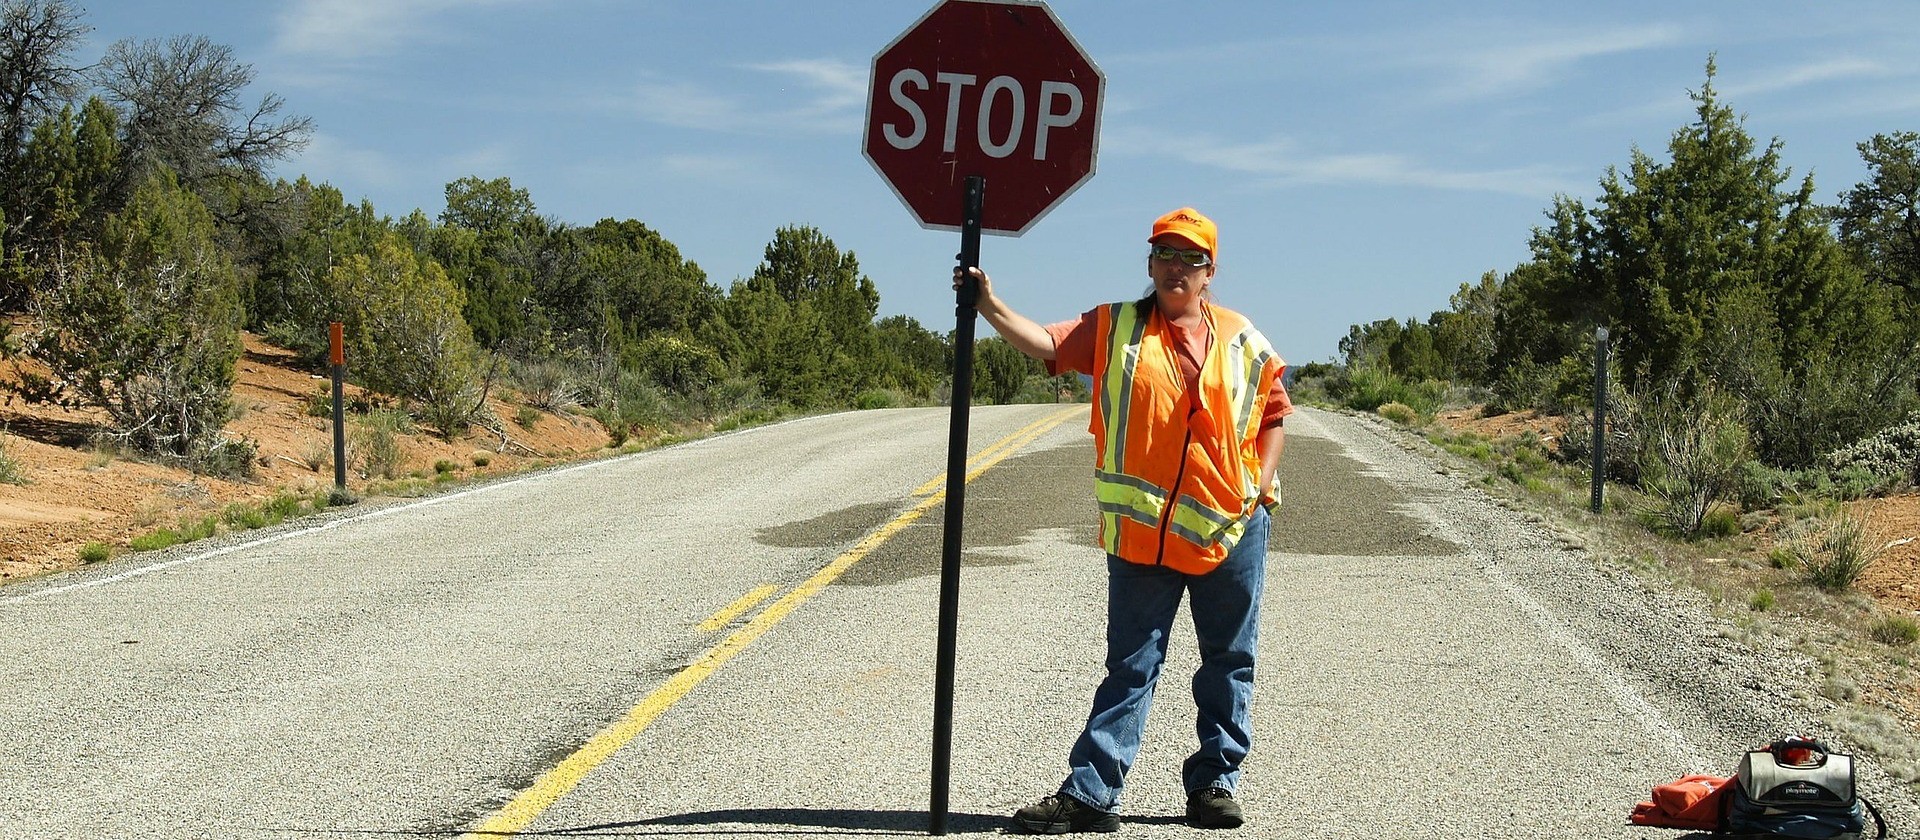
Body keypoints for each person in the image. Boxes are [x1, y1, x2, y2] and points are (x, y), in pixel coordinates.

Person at [954, 207, 1292, 833]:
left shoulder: (1243, 337)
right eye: (1165, 254)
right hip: (1142, 537)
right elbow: (1049, 344)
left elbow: (1274, 413)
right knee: (1131, 667)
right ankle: (1091, 795)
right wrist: (988, 306)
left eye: (1190, 258)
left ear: (1209, 271)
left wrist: (1261, 483)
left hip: (1231, 529)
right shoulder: (1116, 328)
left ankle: (1215, 783)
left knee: (1229, 660)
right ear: (1150, 264)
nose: (1175, 267)